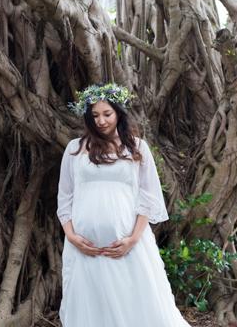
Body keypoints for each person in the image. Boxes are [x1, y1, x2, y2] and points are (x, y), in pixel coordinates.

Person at [57, 83, 190, 326]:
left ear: (118, 112)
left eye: (107, 113)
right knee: (92, 307)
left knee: (137, 303)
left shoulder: (137, 148)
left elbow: (149, 198)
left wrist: (132, 240)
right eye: (94, 115)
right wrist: (72, 236)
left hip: (129, 244)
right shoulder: (75, 149)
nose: (101, 121)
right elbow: (65, 197)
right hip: (85, 248)